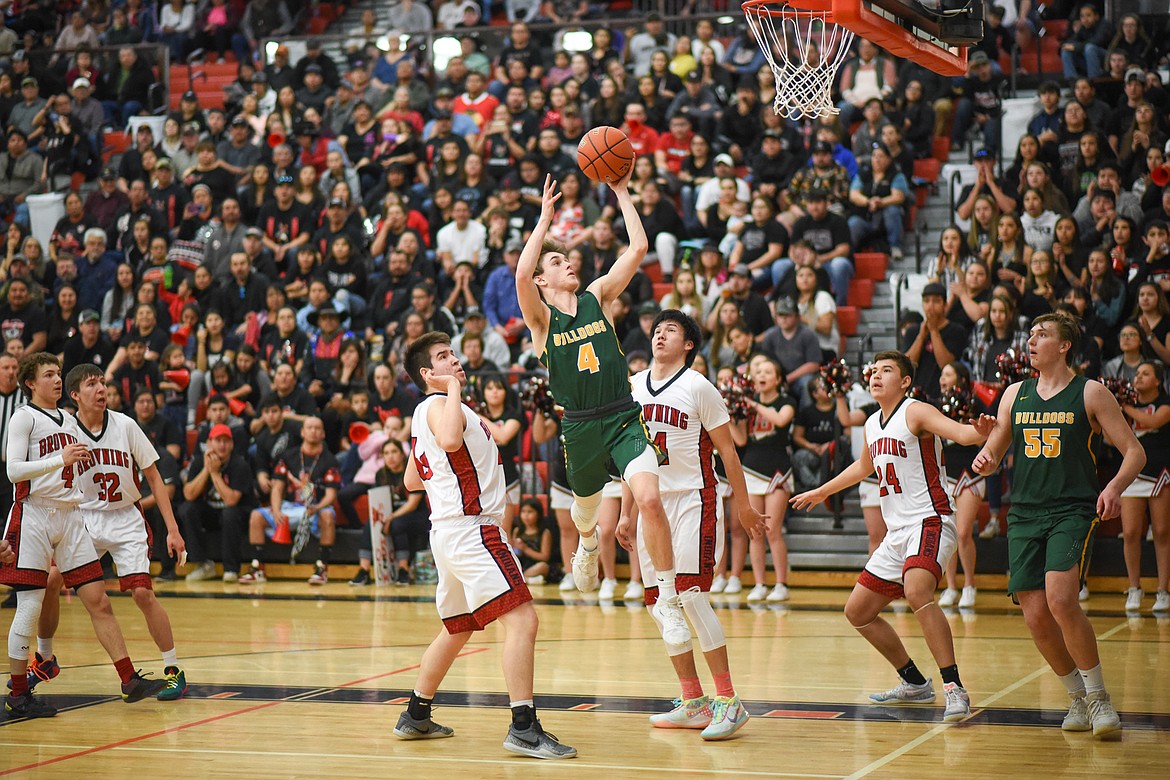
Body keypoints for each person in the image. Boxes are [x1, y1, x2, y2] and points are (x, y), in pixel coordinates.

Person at [514, 173, 691, 648]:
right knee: (588, 513)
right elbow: (518, 274)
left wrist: (622, 193)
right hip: (580, 428)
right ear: (541, 278)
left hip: (623, 416)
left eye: (567, 257)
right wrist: (545, 220)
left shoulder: (598, 298)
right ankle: (589, 544)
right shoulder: (540, 319)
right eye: (556, 261)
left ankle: (668, 600)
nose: (566, 262)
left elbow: (637, 247)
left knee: (650, 500)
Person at [392, 332, 576, 760]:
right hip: (471, 528)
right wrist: (452, 389)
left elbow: (410, 481)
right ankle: (524, 728)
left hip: (449, 531)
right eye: (443, 357)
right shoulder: (439, 405)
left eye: (453, 353)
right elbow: (452, 443)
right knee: (524, 621)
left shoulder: (427, 412)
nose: (454, 360)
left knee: (459, 627)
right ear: (427, 374)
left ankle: (416, 713)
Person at [792, 350, 997, 723]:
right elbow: (864, 466)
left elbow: (961, 434)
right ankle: (915, 682)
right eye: (873, 370)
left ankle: (955, 688)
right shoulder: (872, 423)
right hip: (897, 531)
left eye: (887, 370)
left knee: (918, 591)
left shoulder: (916, 410)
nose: (876, 375)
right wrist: (823, 491)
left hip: (930, 520)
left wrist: (979, 432)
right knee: (857, 611)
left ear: (904, 382)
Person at [972, 311, 1144, 738]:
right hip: (1024, 513)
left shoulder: (1091, 392)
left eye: (1042, 334)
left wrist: (1114, 488)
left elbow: (1135, 453)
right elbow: (991, 459)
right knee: (1034, 616)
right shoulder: (1014, 393)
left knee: (1060, 599)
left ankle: (1100, 697)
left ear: (1064, 345)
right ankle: (1076, 698)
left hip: (1071, 509)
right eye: (1030, 334)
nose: (1031, 341)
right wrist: (984, 452)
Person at [621, 309, 765, 740]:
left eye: (671, 330)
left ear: (689, 345)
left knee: (690, 596)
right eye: (657, 329)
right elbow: (631, 455)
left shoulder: (699, 386)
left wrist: (742, 505)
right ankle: (694, 701)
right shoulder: (632, 387)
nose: (660, 335)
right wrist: (627, 512)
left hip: (694, 500)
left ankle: (729, 701)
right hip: (650, 507)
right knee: (657, 603)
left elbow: (730, 453)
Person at [2, 353, 165, 719]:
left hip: (71, 514)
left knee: (99, 600)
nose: (57, 380)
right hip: (35, 513)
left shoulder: (69, 421)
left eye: (59, 374)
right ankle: (17, 694)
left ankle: (128, 679)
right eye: (49, 375)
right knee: (29, 606)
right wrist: (59, 460)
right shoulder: (23, 418)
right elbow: (13, 470)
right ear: (30, 383)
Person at [29, 364, 188, 700]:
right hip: (83, 518)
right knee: (51, 579)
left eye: (103, 382)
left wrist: (172, 530)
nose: (101, 389)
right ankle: (44, 658)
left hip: (125, 518)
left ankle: (174, 670)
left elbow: (156, 480)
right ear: (75, 395)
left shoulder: (126, 425)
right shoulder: (65, 430)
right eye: (92, 384)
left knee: (143, 594)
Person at [241, 416, 340, 585]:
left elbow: (331, 495)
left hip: (315, 509)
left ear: (323, 434)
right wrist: (276, 509)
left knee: (328, 515)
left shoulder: (329, 459)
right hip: (290, 507)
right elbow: (277, 487)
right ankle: (257, 568)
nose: (313, 431)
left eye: (317, 428)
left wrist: (316, 508)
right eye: (309, 428)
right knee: (256, 517)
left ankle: (321, 568)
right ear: (302, 432)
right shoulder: (288, 456)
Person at [1118, 360, 1170, 613]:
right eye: (1136, 373)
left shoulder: (1165, 404)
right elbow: (1112, 437)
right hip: (1132, 472)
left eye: (1145, 373)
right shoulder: (1125, 407)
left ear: (1158, 380)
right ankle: (1134, 587)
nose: (1138, 377)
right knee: (1130, 533)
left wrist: (1123, 407)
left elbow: (1152, 422)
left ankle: (1162, 590)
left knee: (1161, 531)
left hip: (1159, 472)